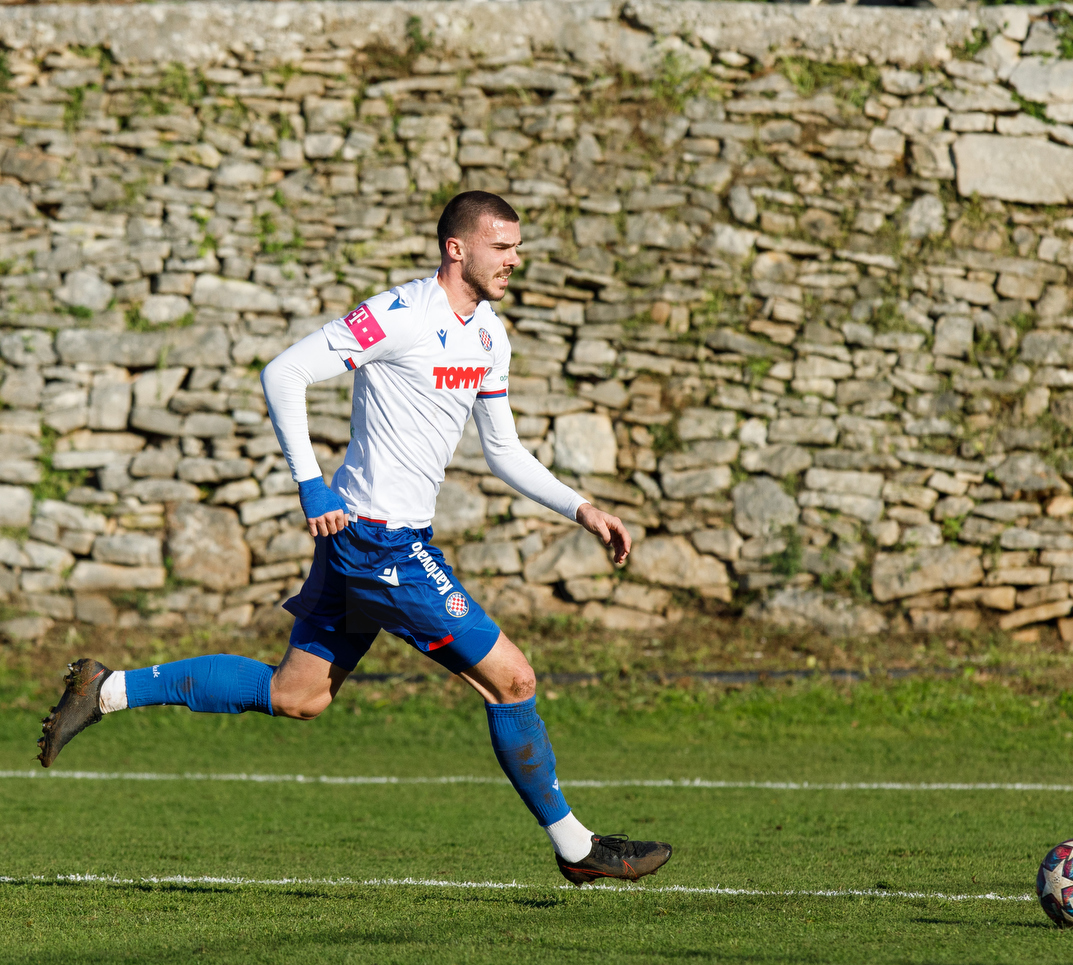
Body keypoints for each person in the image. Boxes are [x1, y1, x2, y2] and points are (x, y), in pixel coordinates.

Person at [36, 191, 671, 885]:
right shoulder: (399, 315)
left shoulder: (490, 334)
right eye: (503, 247)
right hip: (379, 543)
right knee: (514, 678)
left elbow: (504, 451)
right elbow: (283, 373)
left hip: (376, 542)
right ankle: (577, 848)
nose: (515, 260)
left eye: (517, 247)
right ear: (457, 248)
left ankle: (108, 690)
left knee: (297, 695)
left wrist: (582, 508)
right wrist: (311, 482)